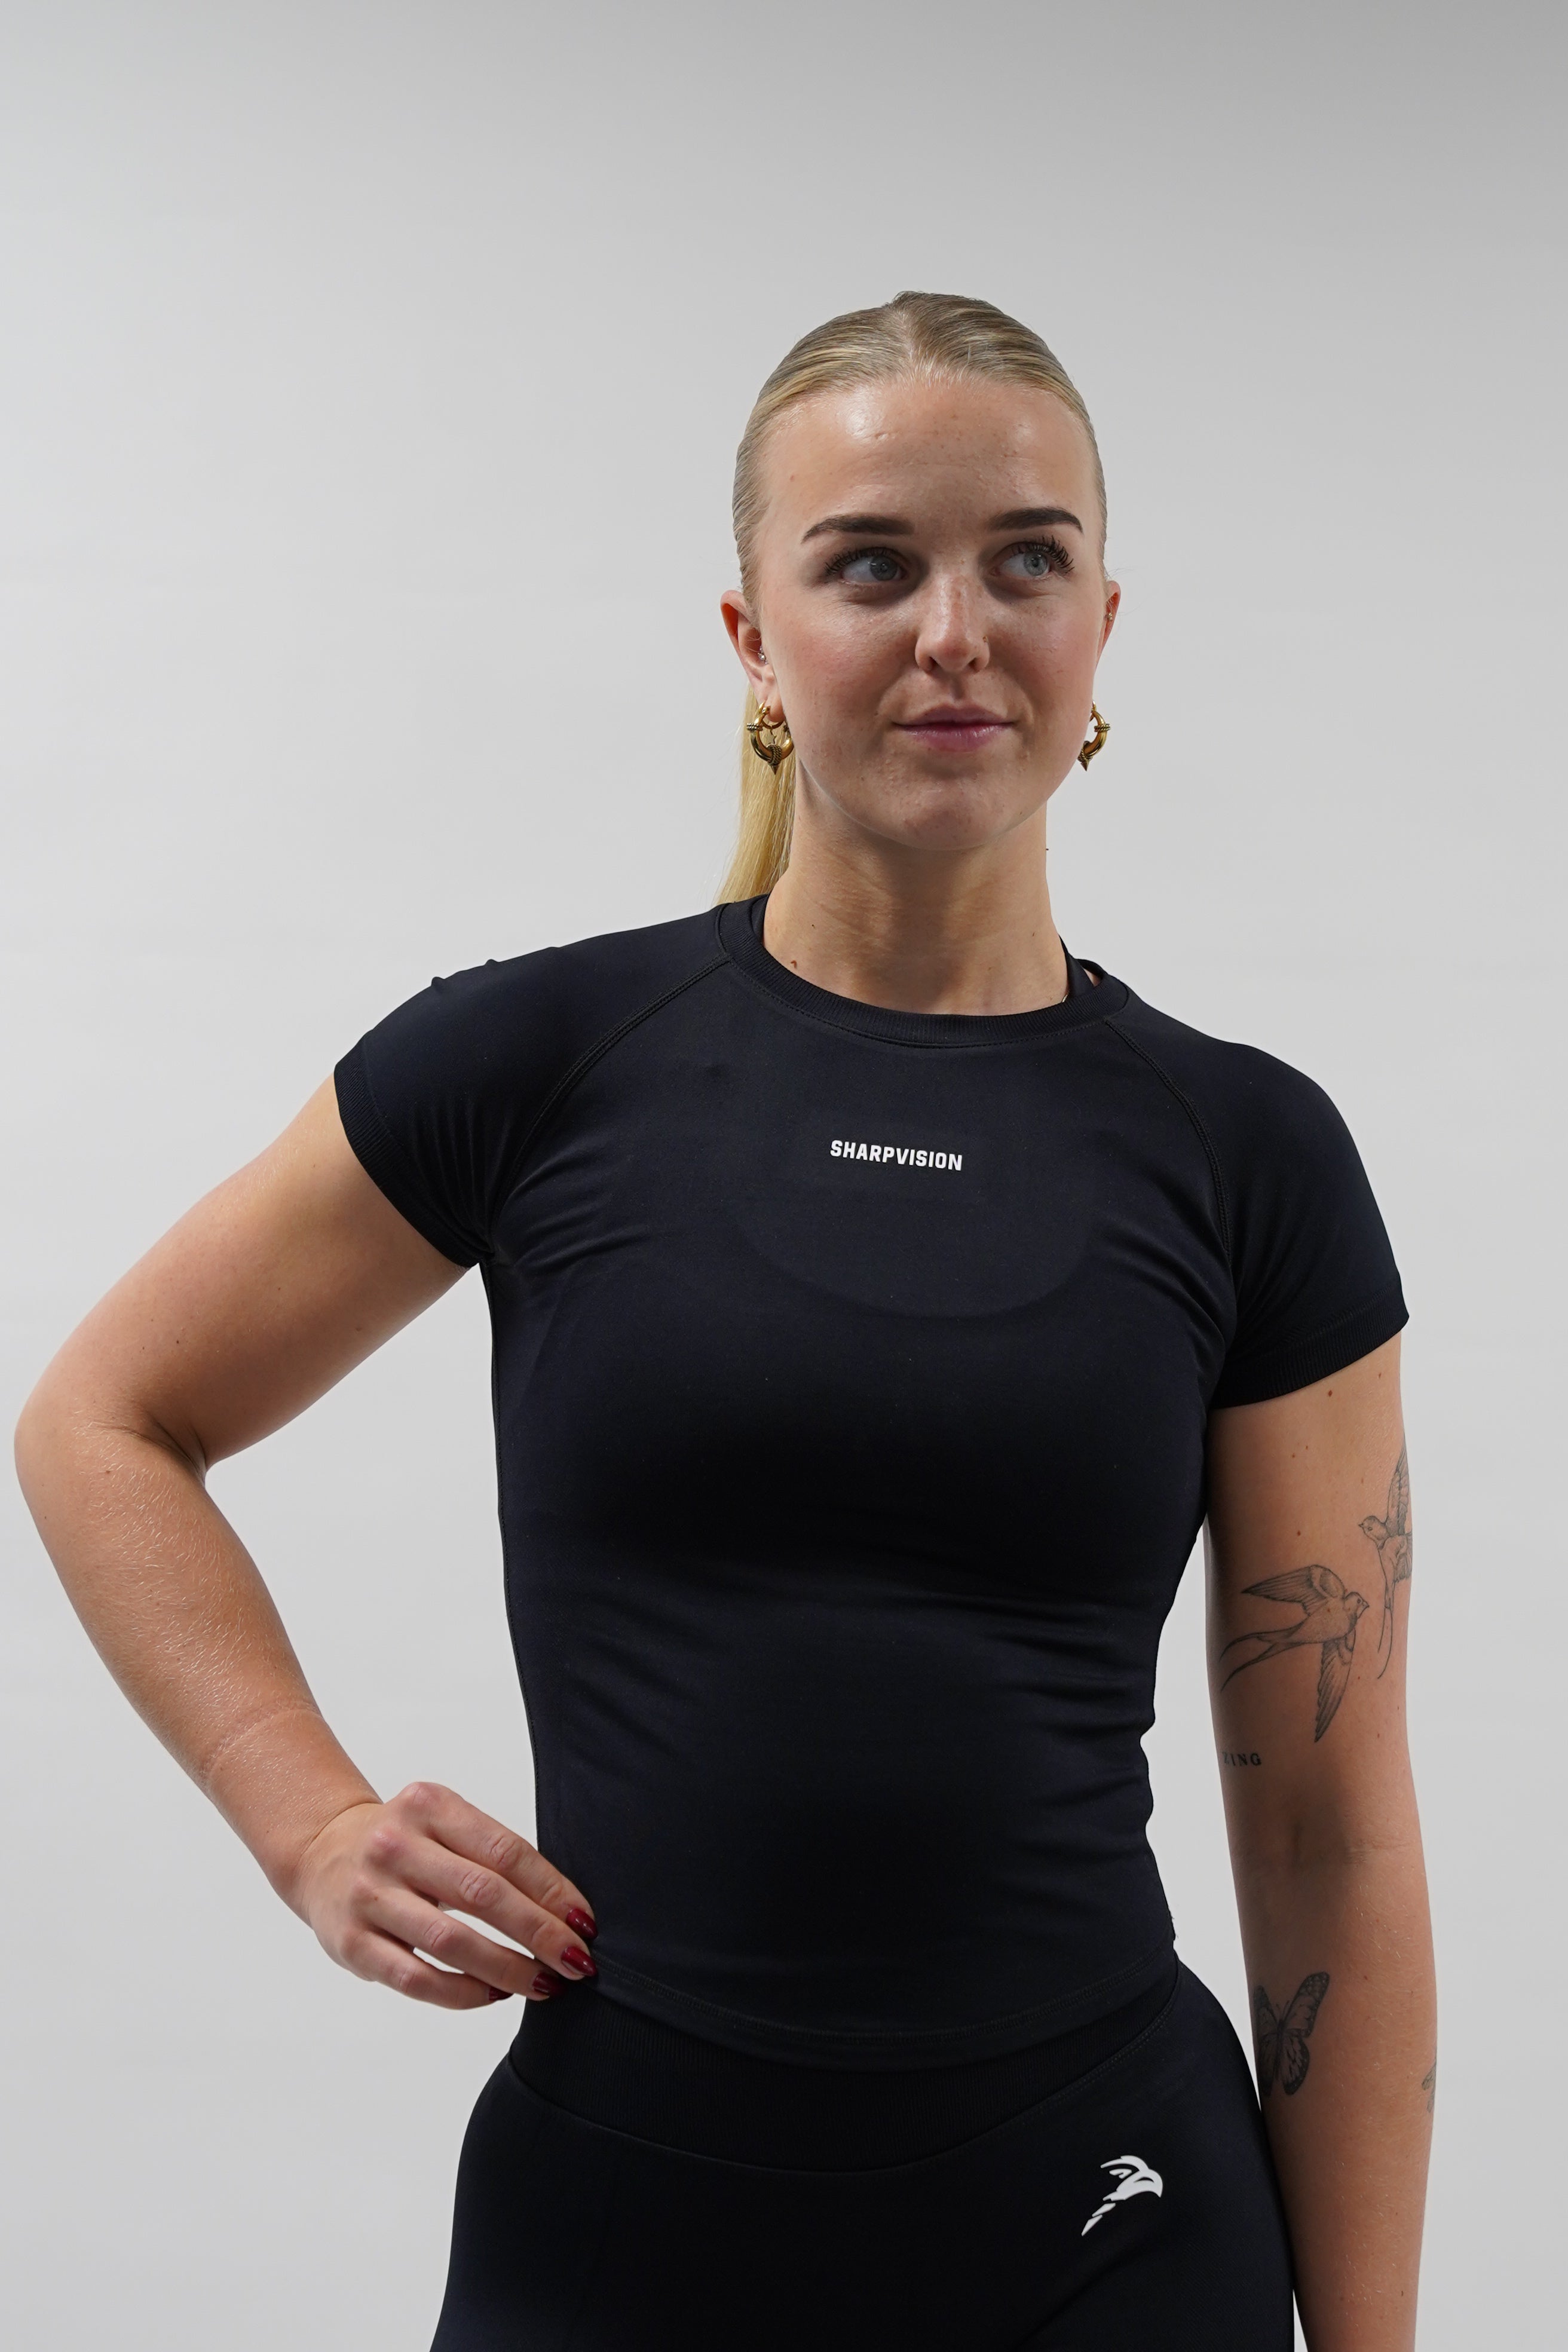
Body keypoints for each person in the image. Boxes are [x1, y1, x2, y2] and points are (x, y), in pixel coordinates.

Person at [16, 292, 1434, 2350]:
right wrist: (305, 1820)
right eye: (871, 565)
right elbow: (104, 1420)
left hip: (1104, 2219)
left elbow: (1330, 1835)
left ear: (1103, 626)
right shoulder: (536, 1063)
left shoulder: (1247, 1153)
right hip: (624, 2214)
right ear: (754, 639)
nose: (955, 632)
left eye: (1025, 561)